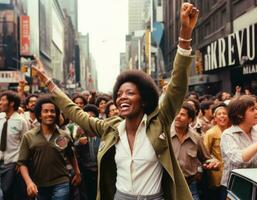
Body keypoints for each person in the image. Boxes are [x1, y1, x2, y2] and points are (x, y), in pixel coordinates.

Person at [32, 2, 199, 200]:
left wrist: (185, 35)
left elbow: (177, 86)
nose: (122, 98)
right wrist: (50, 84)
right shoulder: (110, 129)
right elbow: (75, 112)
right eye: (119, 95)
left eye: (129, 93)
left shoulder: (159, 123)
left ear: (144, 100)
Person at [17, 96, 81, 200]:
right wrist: (29, 183)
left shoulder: (64, 135)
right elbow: (21, 163)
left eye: (52, 111)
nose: (49, 114)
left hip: (61, 182)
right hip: (39, 184)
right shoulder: (29, 136)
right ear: (40, 115)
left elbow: (71, 155)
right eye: (45, 111)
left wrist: (77, 173)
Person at [170, 102, 219, 200]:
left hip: (190, 185)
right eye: (177, 113)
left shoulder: (197, 138)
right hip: (169, 185)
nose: (178, 117)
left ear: (190, 119)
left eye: (182, 114)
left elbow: (206, 158)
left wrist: (212, 163)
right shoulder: (165, 136)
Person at [220, 95, 257, 199]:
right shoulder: (228, 135)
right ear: (240, 115)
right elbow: (239, 159)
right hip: (235, 189)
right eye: (252, 109)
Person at [0, 91, 29, 200]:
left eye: (3, 100)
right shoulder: (0, 117)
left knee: (7, 192)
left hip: (12, 163)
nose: (0, 103)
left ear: (11, 103)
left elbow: (25, 143)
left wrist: (21, 162)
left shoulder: (21, 121)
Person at [203, 103, 230, 200]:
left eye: (225, 113)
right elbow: (205, 153)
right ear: (215, 118)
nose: (222, 116)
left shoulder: (232, 131)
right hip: (216, 173)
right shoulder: (211, 133)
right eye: (219, 114)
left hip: (230, 171)